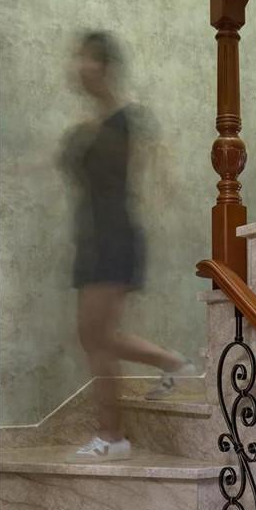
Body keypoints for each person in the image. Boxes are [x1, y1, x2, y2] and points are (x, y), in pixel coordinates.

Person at [59, 31, 196, 459]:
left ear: (105, 66)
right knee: (94, 336)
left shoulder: (126, 120)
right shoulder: (91, 126)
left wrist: (166, 191)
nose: (78, 66)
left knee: (96, 335)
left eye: (87, 58)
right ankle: (170, 364)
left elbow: (153, 168)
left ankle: (113, 435)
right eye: (78, 58)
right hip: (92, 235)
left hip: (113, 235)